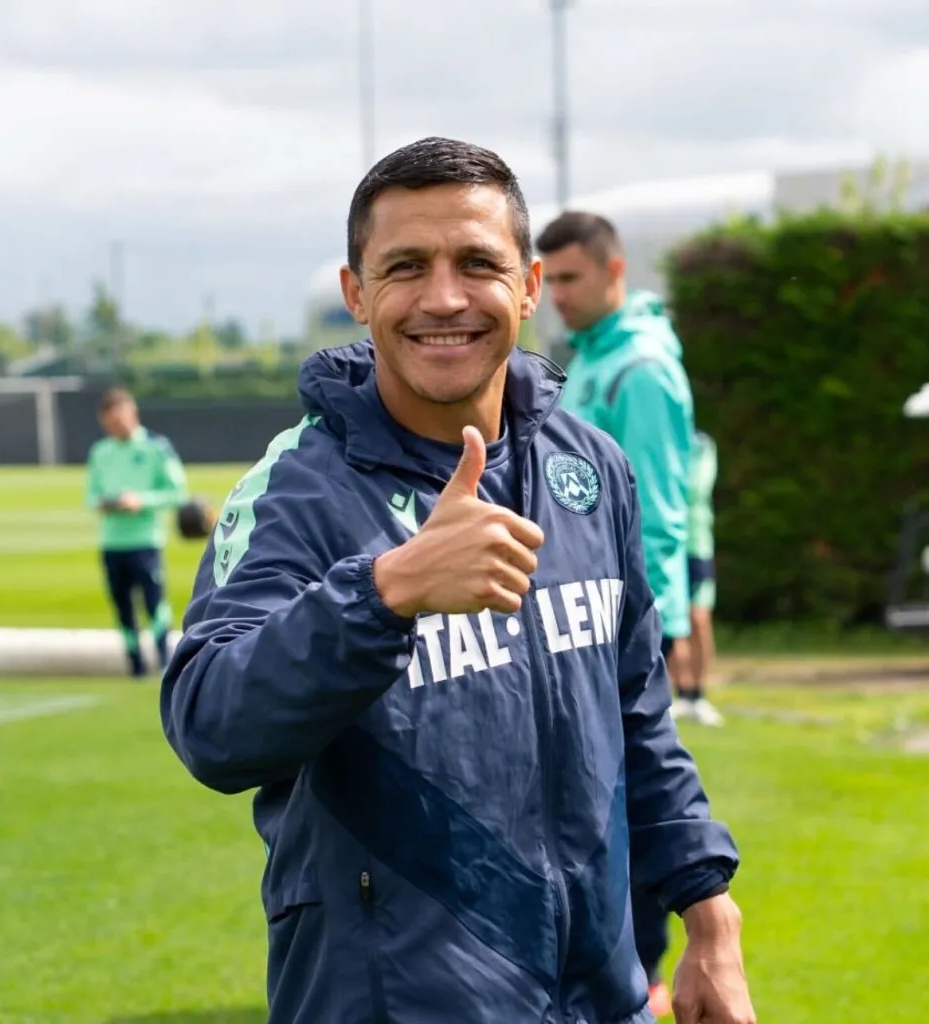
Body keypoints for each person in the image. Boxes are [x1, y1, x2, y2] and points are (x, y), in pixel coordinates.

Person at [160, 137, 755, 1024]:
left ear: (527, 285)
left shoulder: (589, 468)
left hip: (601, 997)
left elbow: (636, 714)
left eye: (478, 262)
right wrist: (385, 590)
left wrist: (708, 909)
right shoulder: (296, 493)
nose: (444, 298)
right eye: (406, 267)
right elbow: (210, 722)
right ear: (357, 293)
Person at [535, 210, 725, 1015]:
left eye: (573, 278)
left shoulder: (638, 369)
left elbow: (658, 508)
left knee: (620, 796)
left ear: (615, 274)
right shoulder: (587, 360)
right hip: (566, 620)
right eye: (552, 280)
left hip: (614, 623)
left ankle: (636, 982)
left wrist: (658, 628)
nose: (559, 297)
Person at [85, 387, 188, 678]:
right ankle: (135, 665)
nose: (115, 429)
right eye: (109, 425)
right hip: (112, 540)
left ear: (133, 414)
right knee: (122, 606)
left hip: (145, 539)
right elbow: (90, 495)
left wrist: (141, 500)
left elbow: (177, 492)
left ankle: (165, 661)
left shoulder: (156, 447)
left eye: (119, 422)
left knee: (154, 603)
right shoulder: (100, 451)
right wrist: (105, 503)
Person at [680, 429, 723, 726]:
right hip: (667, 546)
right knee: (672, 620)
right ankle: (683, 693)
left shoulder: (702, 444)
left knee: (699, 619)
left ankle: (700, 693)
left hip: (697, 543)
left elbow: (696, 487)